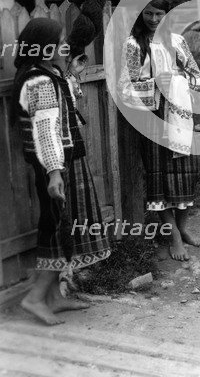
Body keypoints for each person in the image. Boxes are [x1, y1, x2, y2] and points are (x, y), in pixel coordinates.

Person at [11, 18, 111, 325]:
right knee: (57, 228)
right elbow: (45, 131)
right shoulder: (38, 81)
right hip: (53, 165)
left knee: (61, 226)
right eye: (62, 42)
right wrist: (55, 172)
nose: (66, 46)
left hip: (63, 161)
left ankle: (53, 297)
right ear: (44, 48)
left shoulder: (49, 73)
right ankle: (34, 298)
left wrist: (71, 74)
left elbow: (65, 105)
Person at [118, 0, 200, 261]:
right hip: (154, 116)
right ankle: (173, 237)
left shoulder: (177, 41)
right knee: (160, 176)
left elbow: (196, 76)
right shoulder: (133, 44)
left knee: (183, 173)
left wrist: (183, 82)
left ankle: (183, 227)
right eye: (149, 13)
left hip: (179, 114)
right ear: (141, 14)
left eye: (159, 14)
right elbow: (125, 87)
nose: (154, 19)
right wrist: (159, 84)